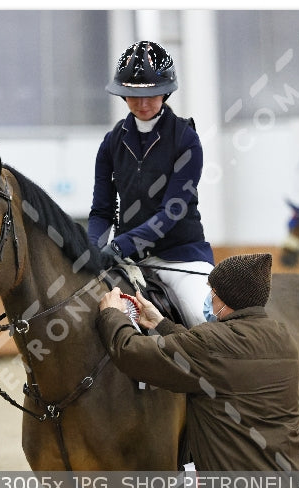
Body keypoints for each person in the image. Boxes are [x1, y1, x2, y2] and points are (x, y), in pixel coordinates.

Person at [96, 253, 299, 488]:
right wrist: (162, 324)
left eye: (214, 291)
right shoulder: (281, 336)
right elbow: (213, 358)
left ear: (228, 299)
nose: (209, 297)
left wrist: (112, 314)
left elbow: (130, 351)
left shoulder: (212, 343)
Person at [88, 40, 214, 327]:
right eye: (133, 95)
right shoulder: (111, 143)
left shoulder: (185, 139)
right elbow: (101, 212)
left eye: (152, 95)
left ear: (165, 92)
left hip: (180, 259)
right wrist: (91, 250)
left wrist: (120, 246)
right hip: (130, 264)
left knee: (202, 317)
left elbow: (172, 212)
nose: (143, 104)